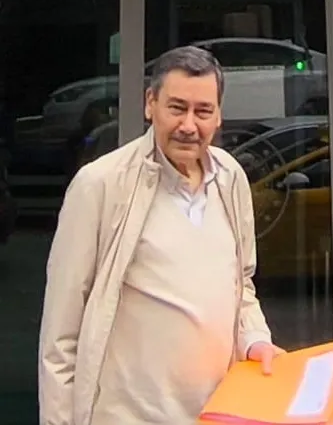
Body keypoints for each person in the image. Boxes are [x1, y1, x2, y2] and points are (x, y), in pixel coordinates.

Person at [38, 46, 282, 425]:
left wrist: (256, 340)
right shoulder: (100, 184)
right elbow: (61, 332)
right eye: (177, 108)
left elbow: (241, 285)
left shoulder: (230, 177)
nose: (189, 125)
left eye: (203, 111)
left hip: (218, 412)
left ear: (219, 115)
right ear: (150, 104)